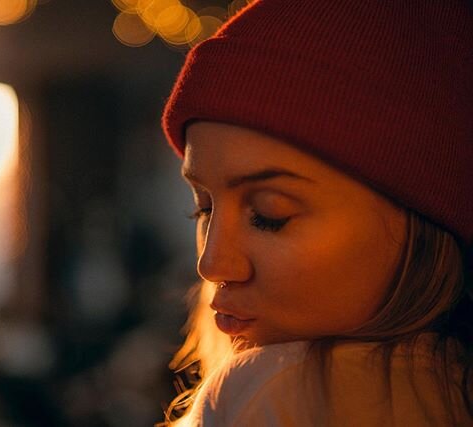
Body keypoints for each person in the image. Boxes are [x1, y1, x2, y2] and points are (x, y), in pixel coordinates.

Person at [159, 0, 473, 425]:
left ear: (425, 222)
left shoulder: (276, 391)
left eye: (270, 215)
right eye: (204, 210)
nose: (212, 264)